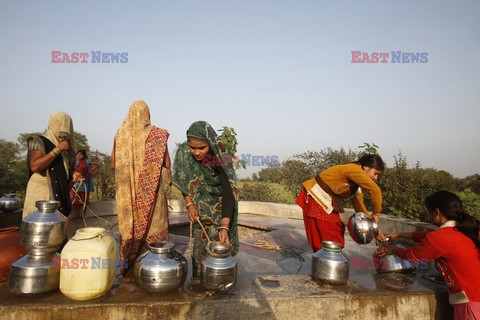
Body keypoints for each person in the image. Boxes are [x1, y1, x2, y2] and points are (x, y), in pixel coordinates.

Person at [377, 191, 480, 319]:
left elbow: (413, 256)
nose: (428, 215)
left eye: (429, 211)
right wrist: (399, 235)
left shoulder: (441, 237)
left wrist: (393, 250)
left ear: (437, 212)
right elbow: (428, 236)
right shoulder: (467, 229)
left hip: (470, 302)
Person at [110, 100, 171, 276]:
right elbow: (166, 163)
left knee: (130, 226)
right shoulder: (156, 134)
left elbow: (113, 164)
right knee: (154, 226)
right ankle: (154, 266)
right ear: (147, 115)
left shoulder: (120, 134)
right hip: (151, 193)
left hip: (127, 193)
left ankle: (129, 266)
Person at [172, 121, 239, 278]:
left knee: (219, 251)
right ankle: (199, 280)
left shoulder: (220, 157)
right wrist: (189, 203)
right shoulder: (184, 153)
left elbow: (229, 193)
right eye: (192, 147)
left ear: (210, 144)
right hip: (199, 209)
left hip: (221, 208)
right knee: (199, 248)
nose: (196, 152)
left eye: (201, 148)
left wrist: (225, 227)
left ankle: (219, 283)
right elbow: (184, 181)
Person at [296, 154, 385, 251]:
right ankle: (325, 259)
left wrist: (375, 230)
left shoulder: (357, 182)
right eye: (375, 173)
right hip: (315, 196)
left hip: (325, 200)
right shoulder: (353, 169)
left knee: (337, 229)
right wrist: (376, 213)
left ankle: (330, 259)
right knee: (326, 233)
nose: (375, 178)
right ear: (366, 167)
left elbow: (359, 206)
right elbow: (375, 190)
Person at [23, 112, 76, 217]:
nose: (63, 130)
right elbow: (35, 166)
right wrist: (57, 149)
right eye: (59, 124)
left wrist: (73, 176)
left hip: (57, 196)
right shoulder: (39, 141)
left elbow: (60, 172)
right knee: (38, 228)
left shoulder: (65, 148)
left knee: (55, 229)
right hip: (40, 195)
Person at [71, 149, 101, 219]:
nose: (78, 156)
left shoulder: (87, 162)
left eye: (80, 155)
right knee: (77, 200)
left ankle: (83, 216)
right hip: (78, 183)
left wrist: (92, 170)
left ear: (84, 155)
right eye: (77, 155)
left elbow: (99, 164)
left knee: (85, 200)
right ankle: (76, 215)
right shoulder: (76, 163)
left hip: (85, 183)